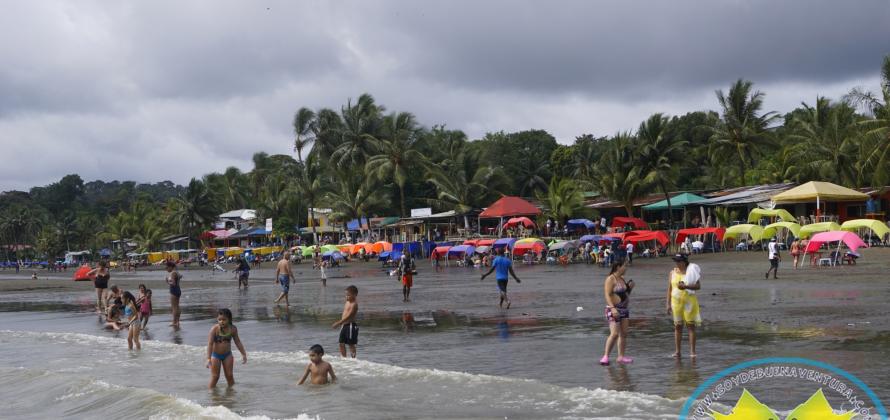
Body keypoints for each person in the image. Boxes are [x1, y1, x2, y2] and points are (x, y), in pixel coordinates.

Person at [667, 254, 701, 358]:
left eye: (679, 261)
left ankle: (692, 352)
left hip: (689, 302)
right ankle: (678, 351)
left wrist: (685, 286)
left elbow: (698, 286)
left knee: (691, 326)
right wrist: (667, 304)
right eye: (676, 261)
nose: (677, 263)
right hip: (676, 302)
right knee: (677, 326)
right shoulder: (672, 272)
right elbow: (669, 289)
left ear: (684, 262)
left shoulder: (691, 272)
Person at [600, 260, 634, 365]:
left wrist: (630, 288)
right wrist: (613, 308)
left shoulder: (622, 279)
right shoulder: (611, 279)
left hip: (624, 310)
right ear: (618, 267)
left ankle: (621, 356)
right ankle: (605, 356)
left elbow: (625, 294)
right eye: (625, 266)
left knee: (623, 334)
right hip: (613, 309)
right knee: (614, 334)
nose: (626, 268)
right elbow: (607, 295)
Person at [206, 308, 247, 388]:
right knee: (215, 377)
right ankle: (211, 394)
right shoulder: (214, 329)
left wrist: (243, 354)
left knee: (229, 375)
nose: (221, 321)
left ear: (229, 319)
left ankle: (231, 394)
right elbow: (210, 344)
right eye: (219, 319)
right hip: (215, 355)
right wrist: (208, 359)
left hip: (227, 355)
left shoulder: (233, 329)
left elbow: (237, 342)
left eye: (224, 319)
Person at [332, 285, 359, 358]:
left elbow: (349, 316)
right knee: (341, 343)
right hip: (344, 325)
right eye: (346, 295)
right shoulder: (347, 302)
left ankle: (353, 359)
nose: (347, 297)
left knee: (351, 344)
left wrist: (338, 323)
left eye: (348, 295)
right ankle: (344, 358)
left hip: (351, 325)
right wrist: (341, 323)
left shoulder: (354, 305)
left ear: (355, 295)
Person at [165, 261, 182, 327]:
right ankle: (177, 321)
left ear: (170, 267)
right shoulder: (177, 272)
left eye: (167, 268)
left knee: (174, 307)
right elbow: (180, 276)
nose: (166, 269)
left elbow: (173, 283)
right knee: (177, 306)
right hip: (178, 289)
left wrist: (167, 282)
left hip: (174, 290)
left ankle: (174, 322)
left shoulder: (172, 273)